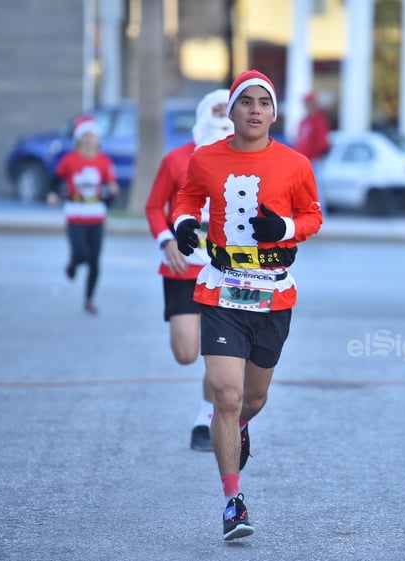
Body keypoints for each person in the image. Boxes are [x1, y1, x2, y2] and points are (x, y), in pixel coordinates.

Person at [171, 69, 322, 541]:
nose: (255, 110)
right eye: (246, 102)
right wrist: (181, 224)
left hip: (273, 291)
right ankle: (233, 501)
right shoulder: (205, 159)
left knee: (252, 400)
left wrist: (285, 230)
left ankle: (235, 428)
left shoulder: (295, 163)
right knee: (227, 395)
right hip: (220, 288)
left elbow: (313, 215)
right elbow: (187, 199)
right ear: (231, 110)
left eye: (264, 102)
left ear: (274, 113)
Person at [144, 89, 234, 453]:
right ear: (202, 114)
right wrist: (165, 241)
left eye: (228, 110)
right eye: (215, 109)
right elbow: (153, 206)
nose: (222, 116)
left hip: (229, 272)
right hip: (183, 268)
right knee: (186, 353)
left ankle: (205, 417)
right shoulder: (176, 160)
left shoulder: (245, 159)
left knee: (220, 353)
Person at [49, 116, 120, 315]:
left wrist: (113, 192)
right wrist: (53, 194)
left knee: (95, 260)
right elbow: (55, 179)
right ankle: (72, 264)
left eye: (93, 136)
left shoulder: (104, 161)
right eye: (86, 136)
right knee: (81, 254)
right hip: (75, 212)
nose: (90, 140)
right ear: (79, 138)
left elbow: (111, 184)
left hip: (96, 213)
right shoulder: (70, 160)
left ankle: (89, 299)